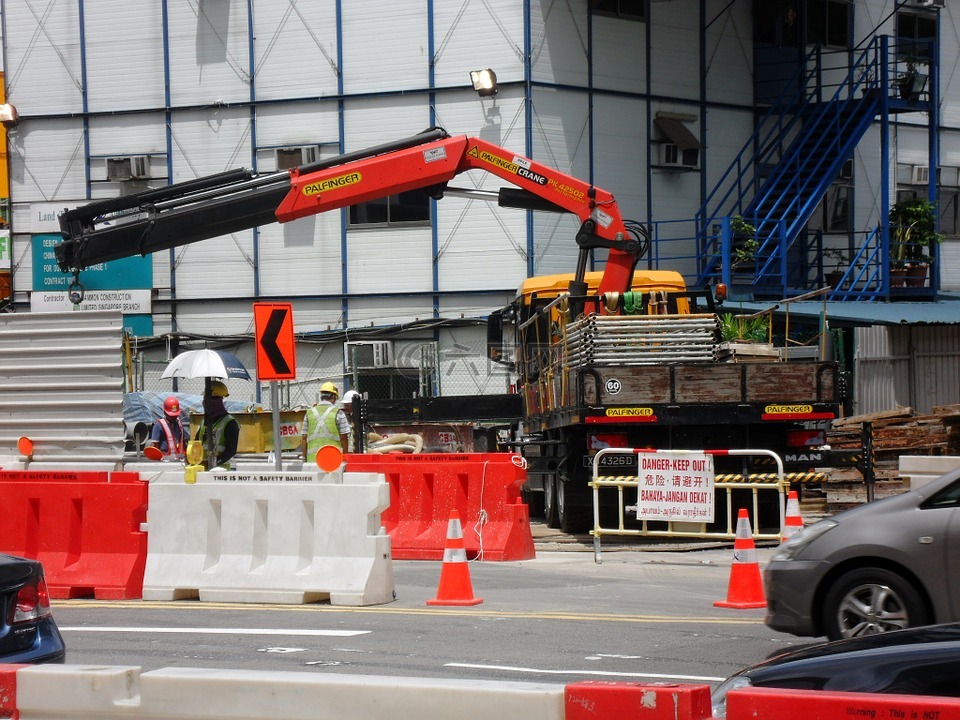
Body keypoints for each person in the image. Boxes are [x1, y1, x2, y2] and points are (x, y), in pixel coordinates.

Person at [193, 380, 240, 470]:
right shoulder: (204, 421)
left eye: (210, 399)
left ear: (219, 401)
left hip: (221, 471)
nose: (205, 402)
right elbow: (197, 442)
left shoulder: (230, 423)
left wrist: (213, 463)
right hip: (202, 469)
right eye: (205, 399)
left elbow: (231, 451)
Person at [302, 381, 350, 464]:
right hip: (333, 461)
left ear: (321, 396)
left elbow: (304, 438)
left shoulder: (309, 413)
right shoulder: (339, 413)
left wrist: (304, 458)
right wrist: (345, 458)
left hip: (313, 461)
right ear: (334, 396)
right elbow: (344, 438)